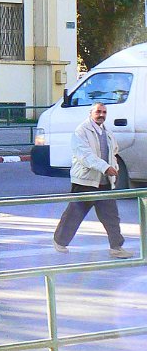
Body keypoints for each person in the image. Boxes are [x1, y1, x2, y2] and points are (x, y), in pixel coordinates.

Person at [52, 103, 134, 259]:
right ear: (91, 113)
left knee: (111, 216)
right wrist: (105, 168)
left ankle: (116, 247)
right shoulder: (81, 131)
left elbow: (113, 154)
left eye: (104, 112)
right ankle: (59, 241)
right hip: (85, 181)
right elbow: (85, 156)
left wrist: (114, 168)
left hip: (103, 182)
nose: (101, 114)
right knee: (74, 214)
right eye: (98, 111)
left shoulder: (107, 133)